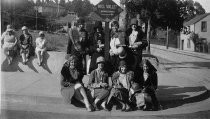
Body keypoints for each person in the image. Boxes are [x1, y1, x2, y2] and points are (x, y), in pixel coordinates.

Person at [125, 18, 148, 84]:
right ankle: (129, 83)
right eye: (132, 24)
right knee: (129, 68)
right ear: (131, 25)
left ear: (137, 25)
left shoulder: (141, 33)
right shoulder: (128, 32)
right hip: (129, 52)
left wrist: (138, 46)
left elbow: (145, 43)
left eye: (135, 25)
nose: (134, 26)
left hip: (137, 53)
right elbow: (125, 42)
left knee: (136, 68)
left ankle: (137, 83)